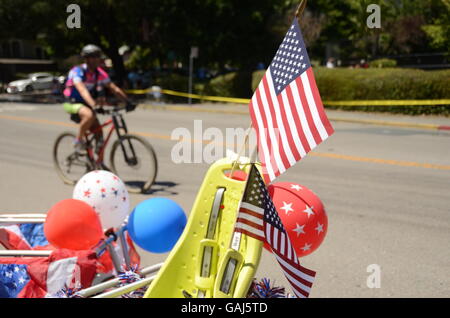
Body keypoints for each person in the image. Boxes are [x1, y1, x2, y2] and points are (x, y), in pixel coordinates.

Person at [63, 44, 130, 154]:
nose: (96, 59)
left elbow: (113, 88)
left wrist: (127, 101)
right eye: (93, 57)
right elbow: (82, 90)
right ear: (86, 59)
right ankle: (78, 140)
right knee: (89, 115)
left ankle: (98, 163)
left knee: (99, 137)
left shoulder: (99, 73)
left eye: (97, 56)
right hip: (71, 102)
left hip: (87, 103)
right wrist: (94, 105)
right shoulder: (77, 71)